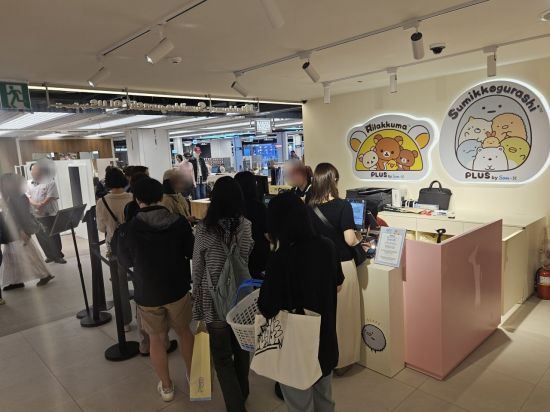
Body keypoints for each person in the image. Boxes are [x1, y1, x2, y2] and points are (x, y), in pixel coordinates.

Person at [258, 192, 342, 412]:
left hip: (295, 347)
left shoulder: (281, 258)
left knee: (299, 405)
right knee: (325, 400)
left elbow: (267, 306)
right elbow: (337, 284)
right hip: (325, 339)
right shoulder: (327, 246)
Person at [117, 177, 195, 403]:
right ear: (161, 197)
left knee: (156, 339)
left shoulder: (128, 229)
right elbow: (191, 251)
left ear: (137, 199)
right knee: (184, 332)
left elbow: (125, 261)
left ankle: (167, 387)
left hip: (147, 291)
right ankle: (193, 377)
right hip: (177, 287)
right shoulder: (178, 222)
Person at [192, 176, 253, 412]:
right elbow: (245, 257)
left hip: (213, 299)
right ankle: (242, 392)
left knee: (222, 357)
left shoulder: (203, 229)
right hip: (240, 297)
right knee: (242, 349)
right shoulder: (246, 226)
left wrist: (196, 297)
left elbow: (198, 267)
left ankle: (235, 406)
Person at [307, 163, 362, 376]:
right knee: (345, 315)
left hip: (318, 268)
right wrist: (359, 238)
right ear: (334, 181)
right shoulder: (343, 206)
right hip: (342, 266)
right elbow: (349, 239)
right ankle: (342, 361)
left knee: (325, 315)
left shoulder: (309, 206)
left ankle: (325, 358)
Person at [0, 173, 54, 290]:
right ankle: (16, 281)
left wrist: (22, 231)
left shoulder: (19, 197)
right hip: (11, 232)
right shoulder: (11, 196)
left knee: (28, 255)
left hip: (19, 232)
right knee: (11, 258)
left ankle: (45, 275)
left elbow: (22, 216)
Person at [96, 167, 133, 331]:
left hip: (115, 245)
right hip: (135, 243)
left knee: (120, 282)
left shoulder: (102, 202)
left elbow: (101, 227)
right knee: (139, 278)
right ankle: (144, 315)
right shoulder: (132, 197)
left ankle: (125, 321)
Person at [28, 163, 66, 264]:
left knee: (53, 235)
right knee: (41, 237)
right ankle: (49, 255)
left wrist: (41, 205)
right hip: (36, 215)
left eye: (36, 170)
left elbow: (51, 196)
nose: (34, 172)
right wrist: (37, 205)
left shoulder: (50, 182)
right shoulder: (28, 183)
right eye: (32, 170)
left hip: (50, 214)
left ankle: (58, 255)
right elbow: (27, 197)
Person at [234, 171, 269, 278]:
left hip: (238, 255)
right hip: (258, 254)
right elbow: (267, 233)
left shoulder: (233, 207)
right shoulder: (259, 207)